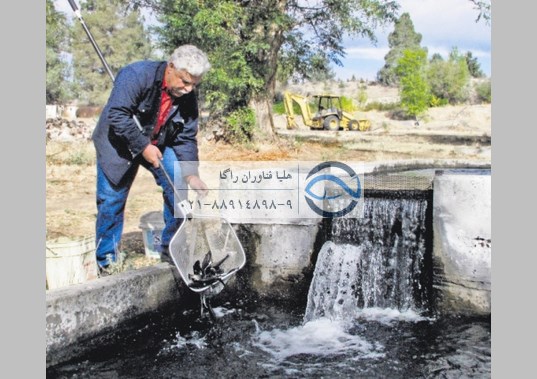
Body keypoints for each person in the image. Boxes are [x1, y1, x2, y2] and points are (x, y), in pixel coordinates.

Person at [92, 44, 211, 275]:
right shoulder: (136, 75)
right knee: (111, 201)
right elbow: (117, 114)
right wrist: (142, 146)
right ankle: (107, 264)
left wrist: (191, 173)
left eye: (194, 85)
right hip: (117, 142)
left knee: (177, 184)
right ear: (171, 67)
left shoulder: (187, 97)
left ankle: (171, 252)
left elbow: (186, 137)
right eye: (185, 82)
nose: (188, 89)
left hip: (157, 142)